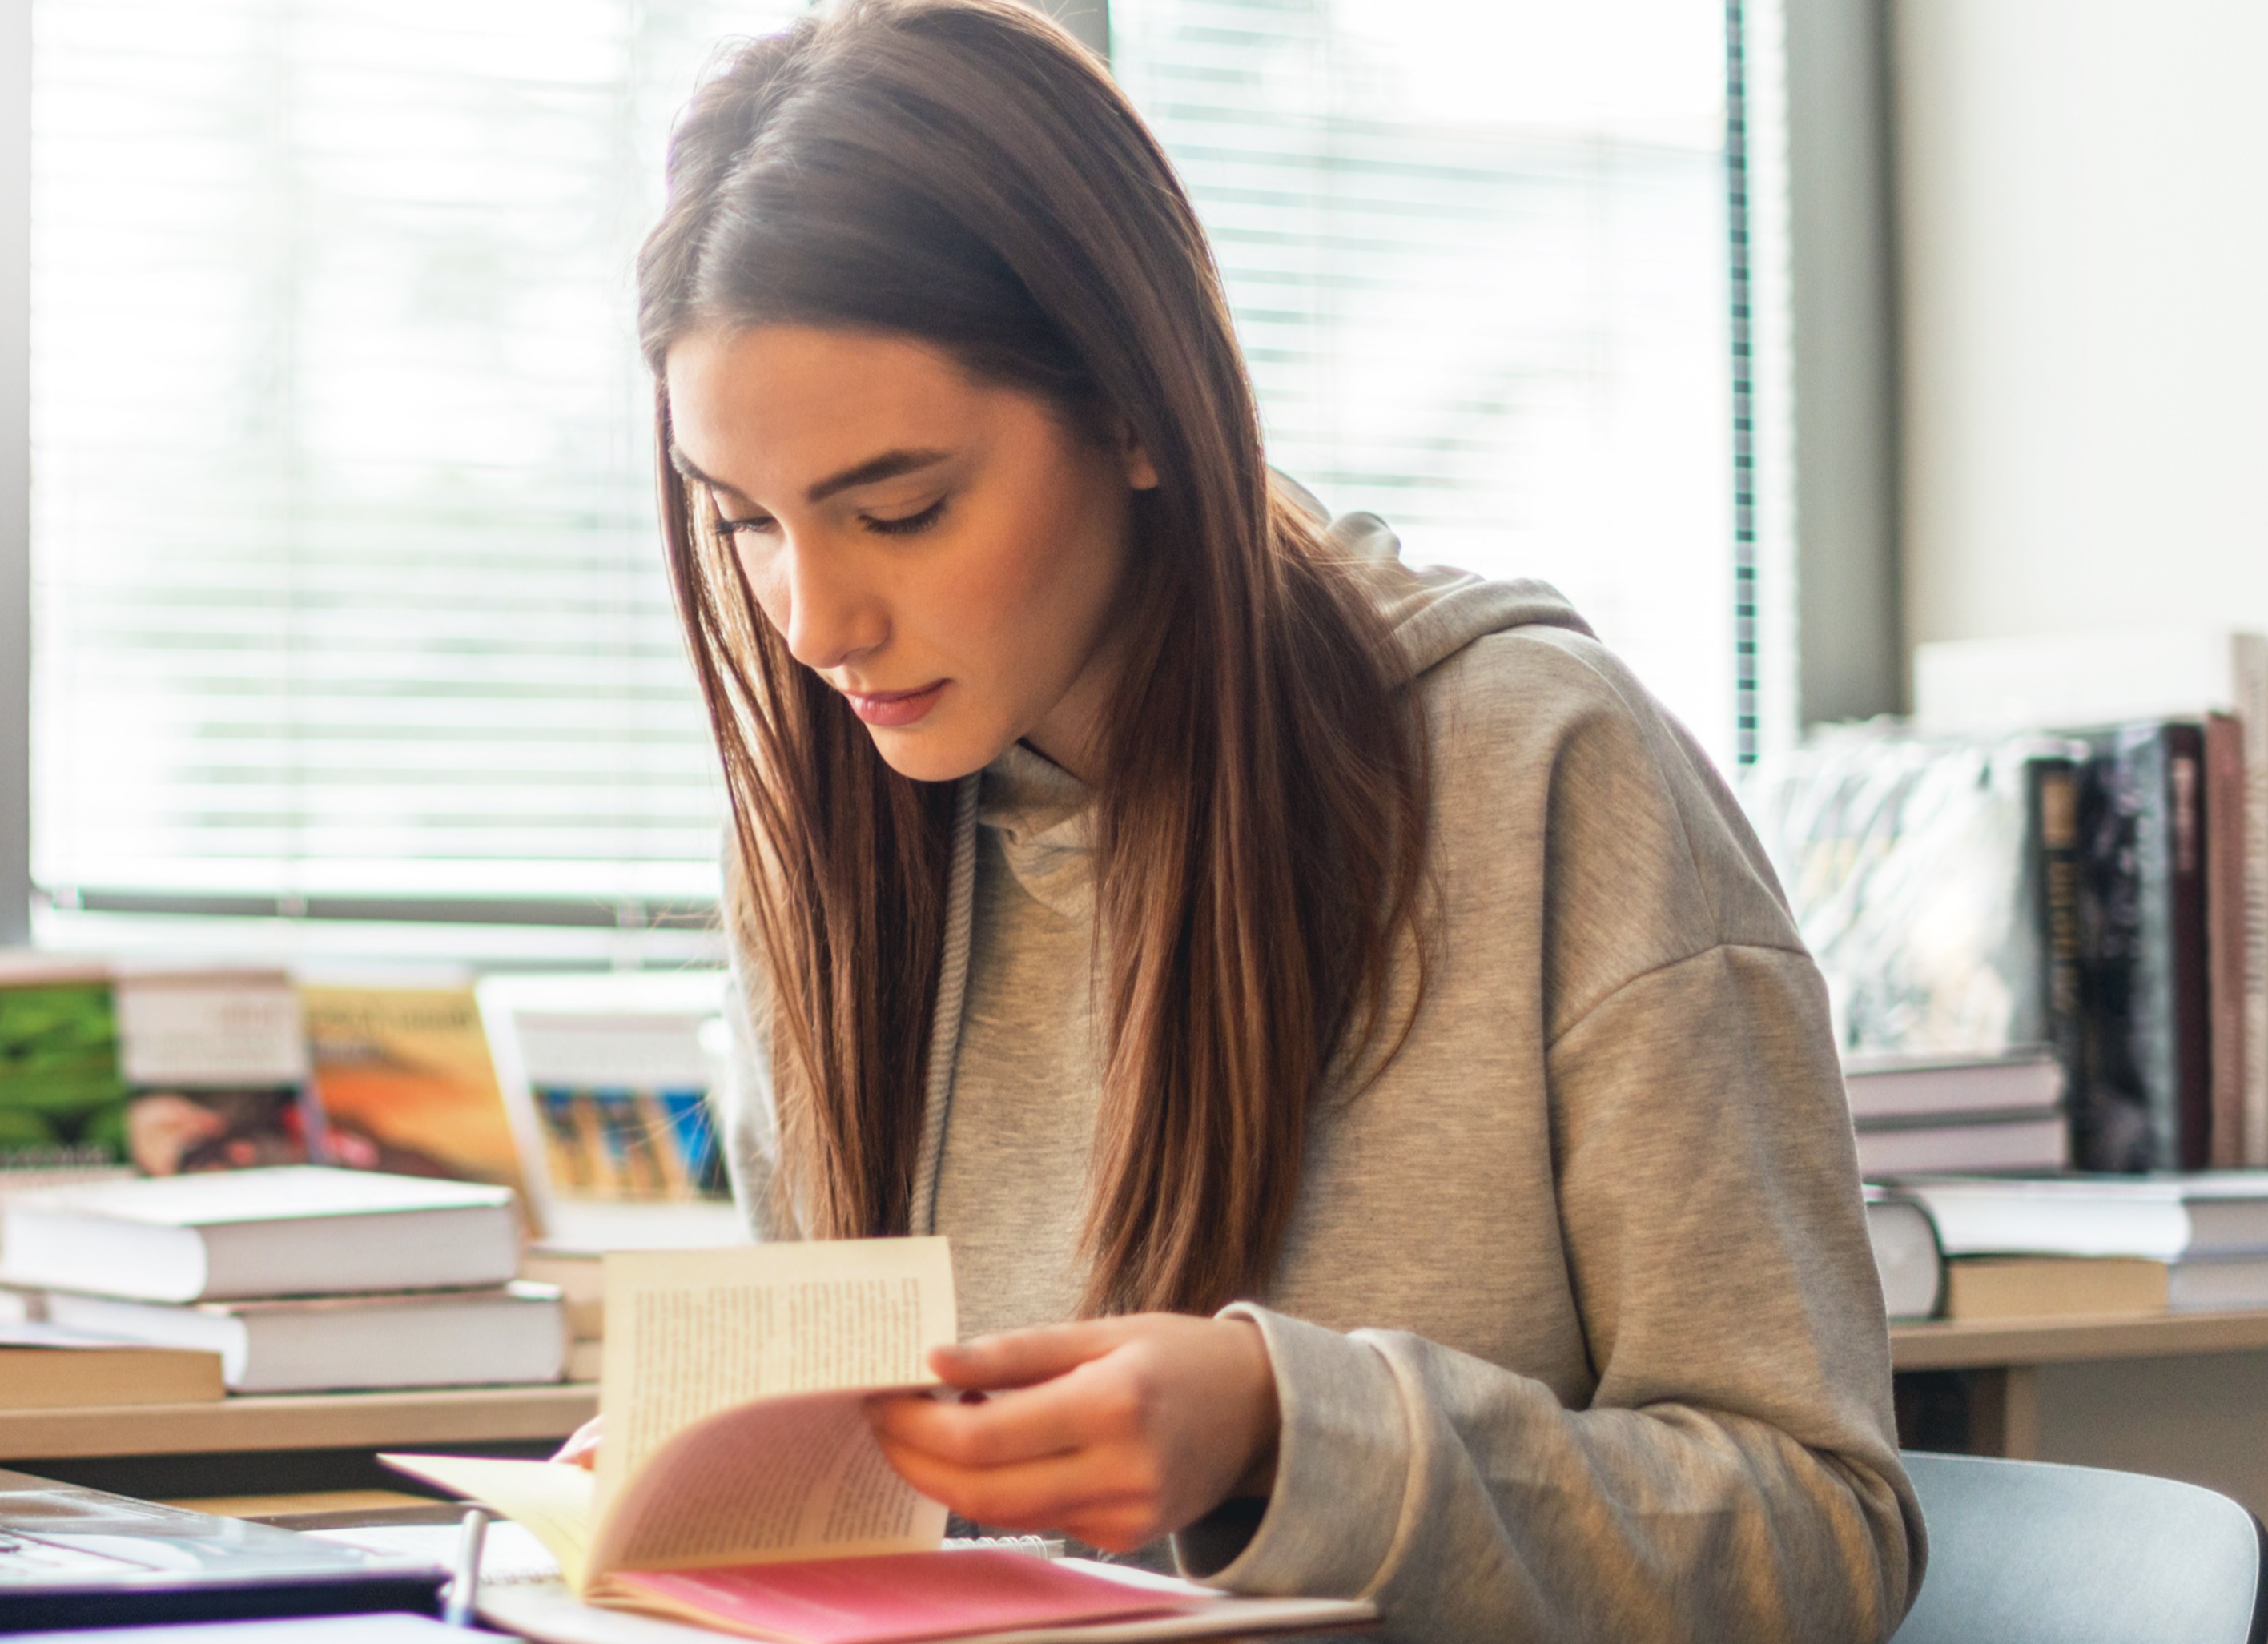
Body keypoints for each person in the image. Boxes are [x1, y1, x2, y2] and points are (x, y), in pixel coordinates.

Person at [568, 1, 1922, 1637]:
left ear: (1138, 411)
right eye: (746, 523)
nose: (813, 621)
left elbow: (1822, 1541)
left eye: (900, 508)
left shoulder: (1544, 771)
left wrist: (1285, 1436)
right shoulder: (834, 837)